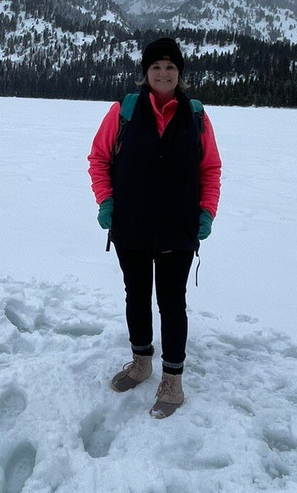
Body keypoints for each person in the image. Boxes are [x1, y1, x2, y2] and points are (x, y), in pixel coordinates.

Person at [87, 37, 222, 418]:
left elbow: (209, 168)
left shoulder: (196, 116)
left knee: (172, 303)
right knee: (136, 296)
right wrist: (106, 201)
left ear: (180, 74)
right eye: (156, 67)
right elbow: (99, 159)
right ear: (146, 73)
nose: (163, 73)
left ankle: (173, 382)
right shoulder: (124, 111)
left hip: (179, 229)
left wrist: (206, 212)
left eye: (170, 67)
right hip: (131, 226)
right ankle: (141, 361)